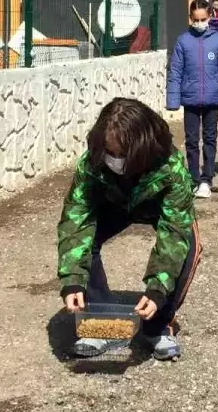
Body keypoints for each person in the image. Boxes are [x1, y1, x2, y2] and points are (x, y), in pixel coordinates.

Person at [57, 98, 200, 361]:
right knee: (86, 243)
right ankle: (98, 323)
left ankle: (157, 326)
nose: (115, 160)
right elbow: (76, 221)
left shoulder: (171, 167)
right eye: (110, 153)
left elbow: (173, 231)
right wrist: (72, 279)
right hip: (114, 204)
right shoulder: (91, 164)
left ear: (142, 149)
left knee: (188, 245)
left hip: (156, 206)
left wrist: (158, 288)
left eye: (122, 154)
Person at [166, 0, 218, 198]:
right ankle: (194, 179)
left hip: (213, 100)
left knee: (210, 139)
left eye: (203, 19)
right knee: (191, 140)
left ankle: (207, 178)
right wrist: (173, 100)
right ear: (190, 18)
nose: (199, 23)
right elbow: (175, 71)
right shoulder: (183, 40)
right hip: (191, 100)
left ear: (209, 16)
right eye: (195, 20)